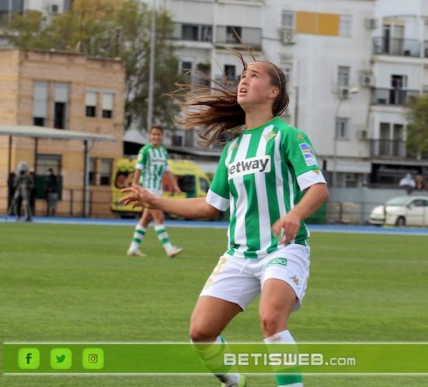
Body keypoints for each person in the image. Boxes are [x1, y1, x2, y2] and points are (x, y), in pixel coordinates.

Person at [120, 53, 329, 387]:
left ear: (274, 92)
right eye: (243, 76)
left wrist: (294, 214)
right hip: (238, 255)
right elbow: (209, 206)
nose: (244, 80)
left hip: (283, 249)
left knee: (271, 320)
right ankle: (235, 381)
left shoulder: (287, 136)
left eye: (254, 75)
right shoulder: (232, 149)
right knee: (200, 332)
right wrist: (155, 199)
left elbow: (318, 188)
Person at [125, 125, 184, 258]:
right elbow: (138, 170)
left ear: (162, 136)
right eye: (153, 134)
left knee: (146, 219)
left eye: (158, 135)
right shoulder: (145, 150)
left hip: (158, 189)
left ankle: (133, 248)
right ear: (149, 136)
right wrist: (135, 186)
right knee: (159, 217)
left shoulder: (163, 151)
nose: (156, 137)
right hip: (147, 190)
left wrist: (175, 185)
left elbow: (167, 170)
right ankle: (169, 249)